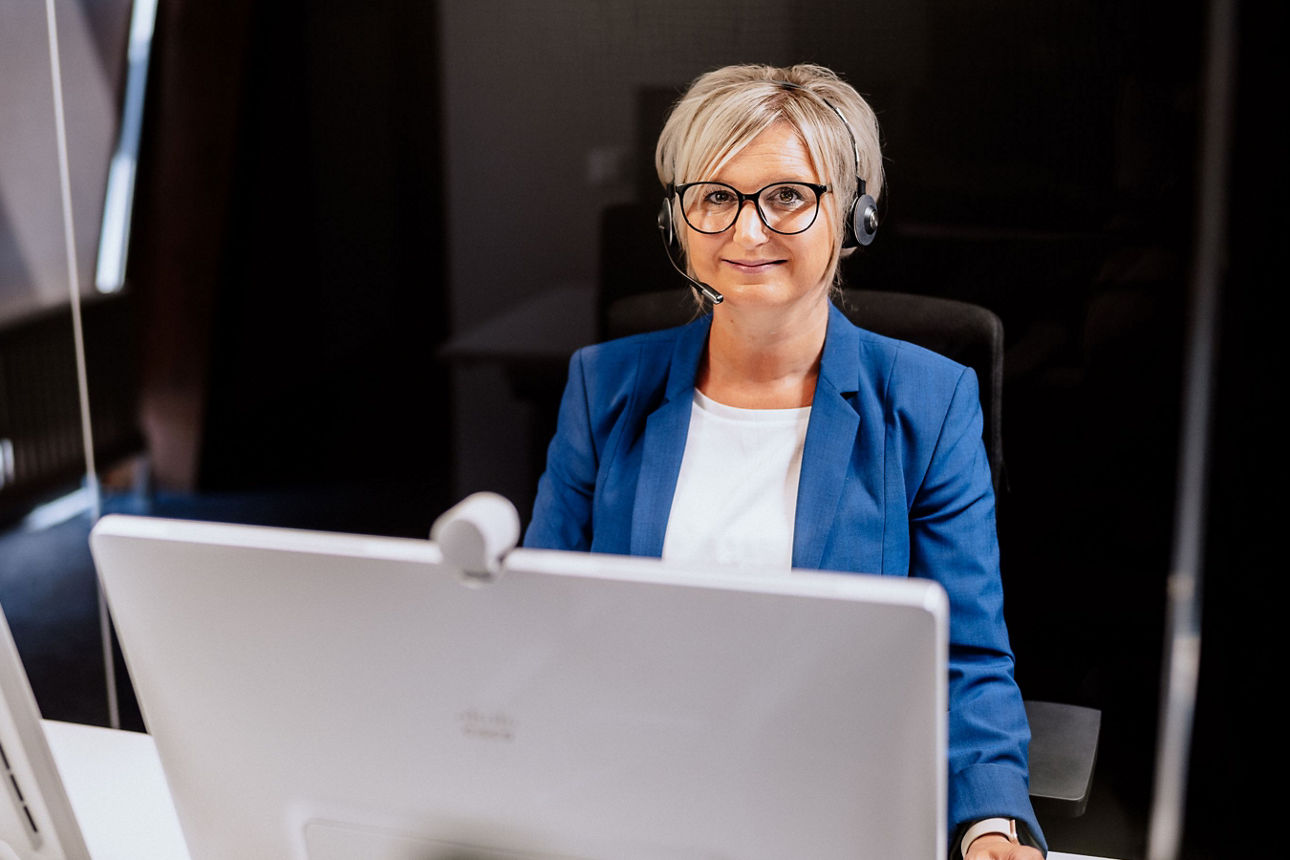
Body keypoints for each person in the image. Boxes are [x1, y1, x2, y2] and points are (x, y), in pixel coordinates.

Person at [524, 63, 1046, 860]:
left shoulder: (929, 403)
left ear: (856, 215)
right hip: (631, 799)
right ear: (675, 220)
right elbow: (533, 624)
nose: (746, 232)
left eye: (788, 197)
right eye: (714, 197)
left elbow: (968, 658)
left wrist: (989, 825)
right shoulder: (605, 388)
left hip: (835, 808)